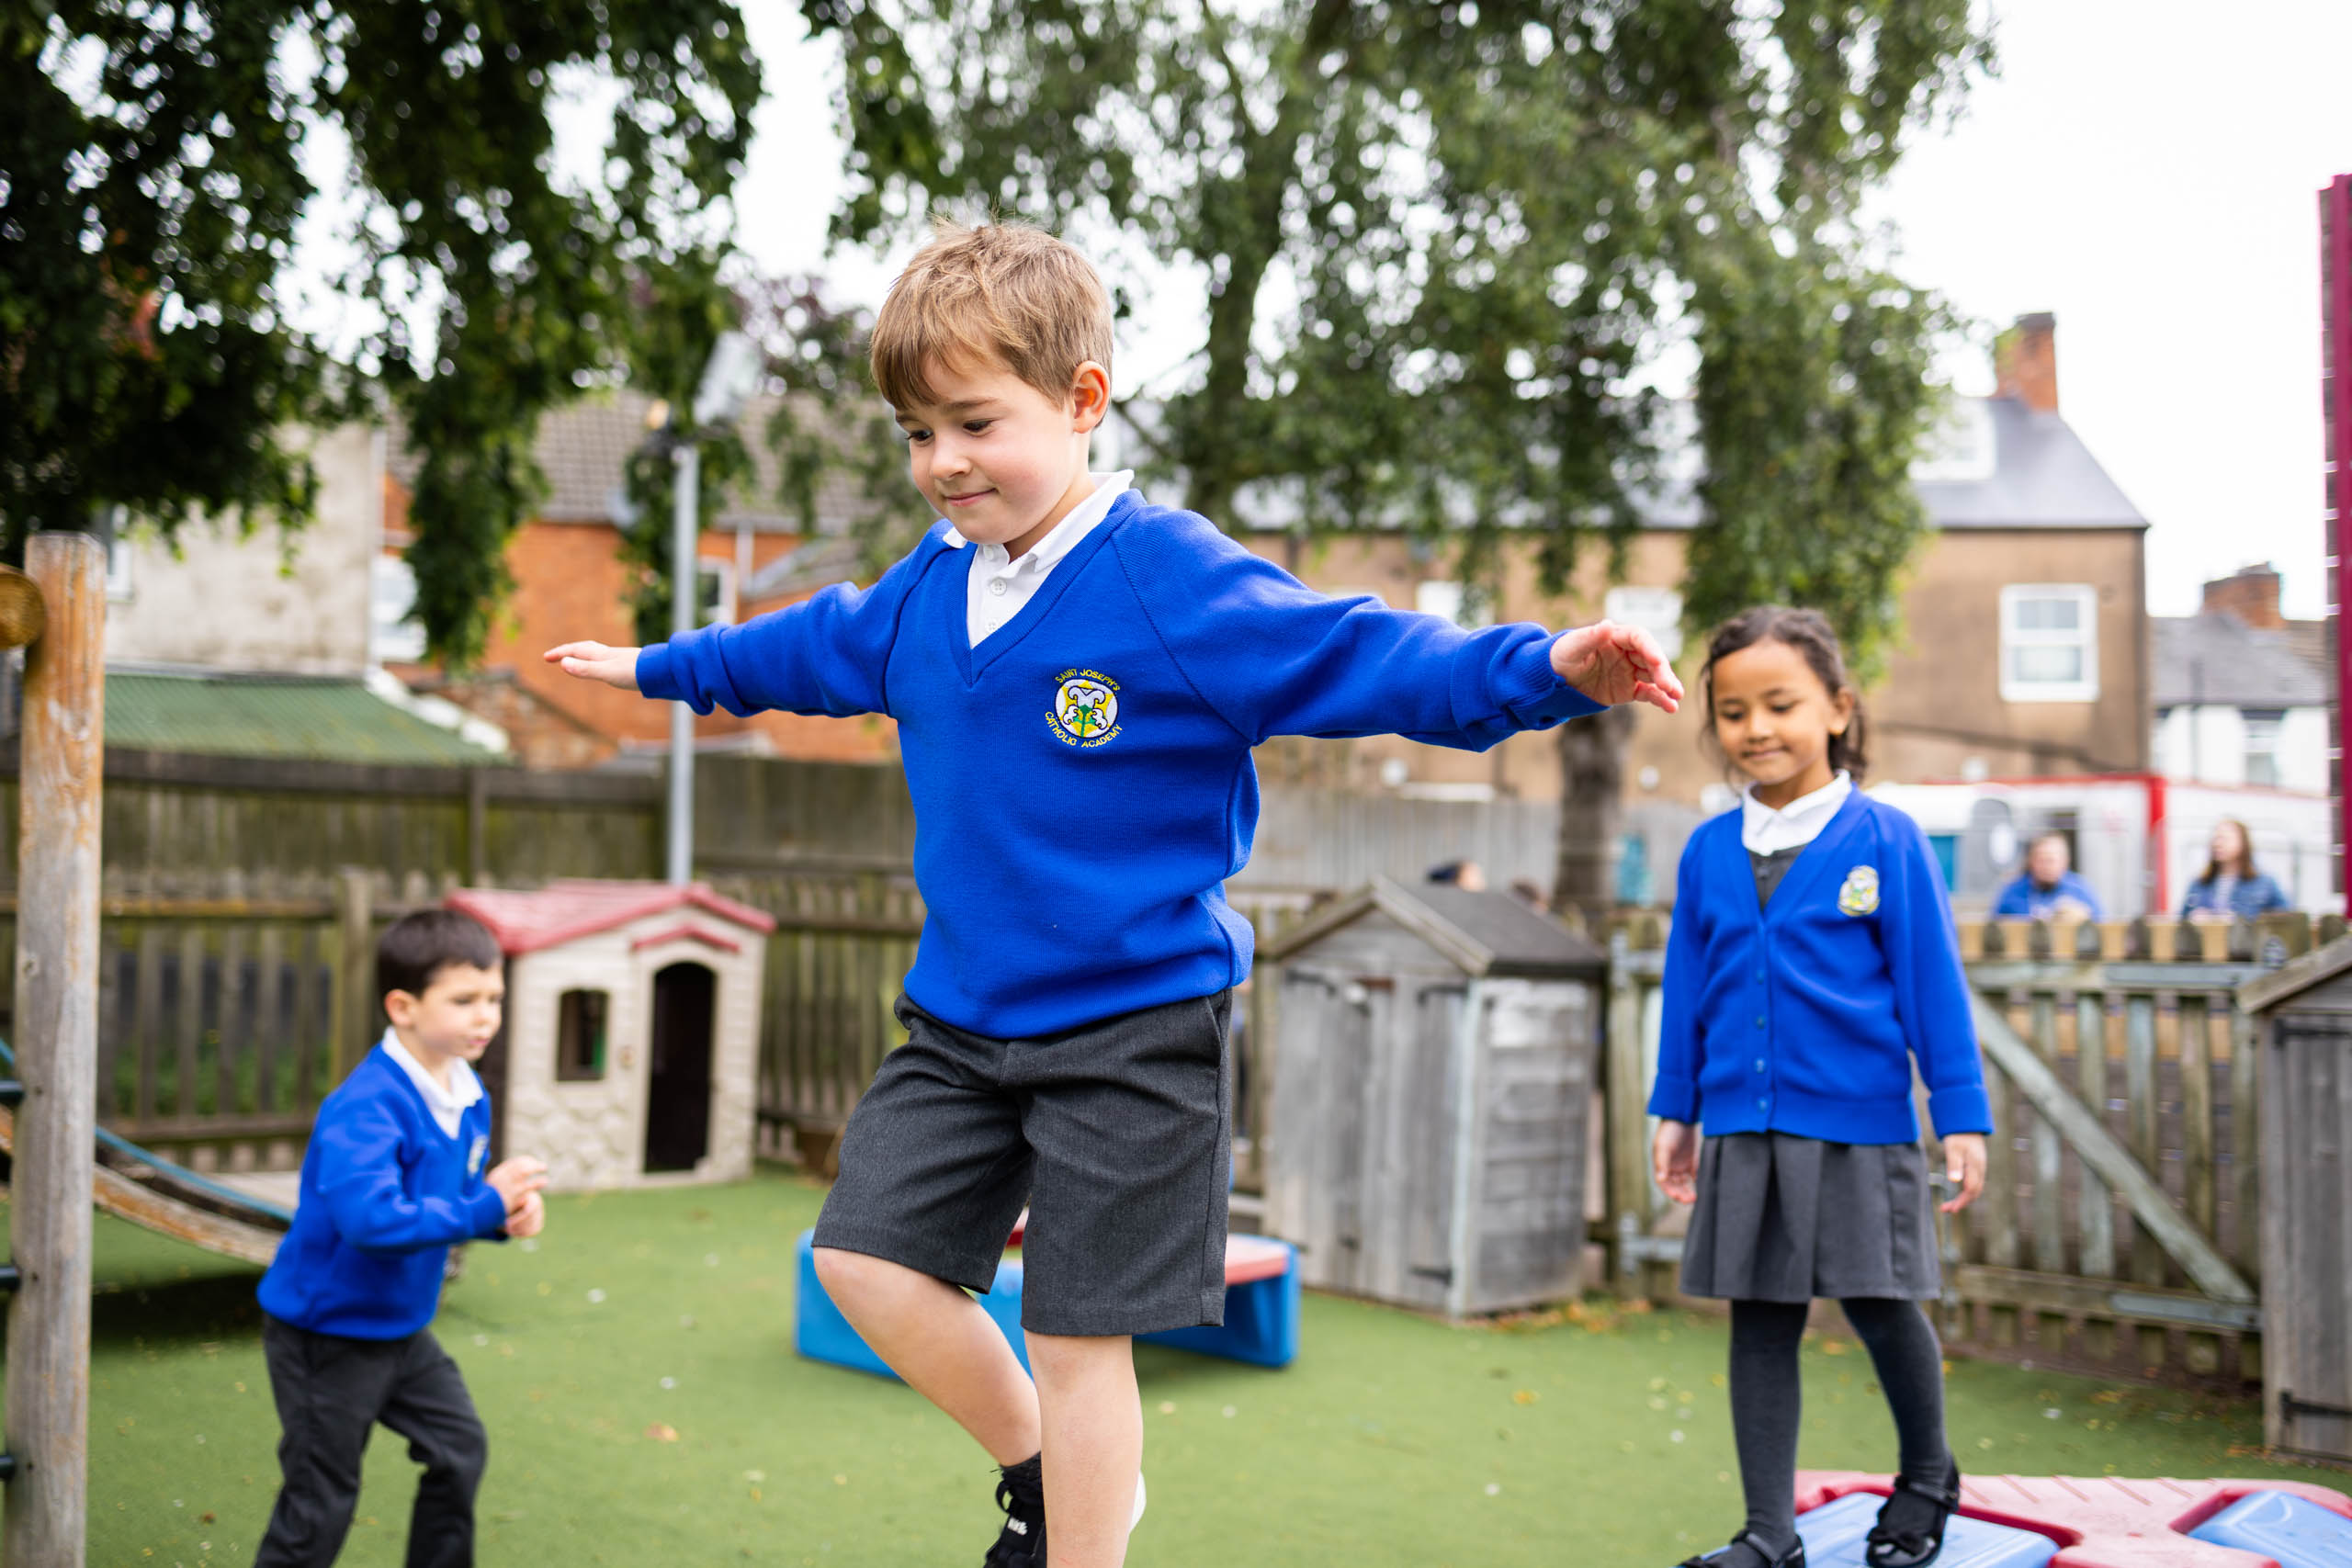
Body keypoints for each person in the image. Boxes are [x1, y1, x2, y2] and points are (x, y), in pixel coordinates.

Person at [544, 220, 1682, 1568]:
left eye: (974, 421)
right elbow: (803, 645)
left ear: (1083, 400)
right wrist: (655, 664)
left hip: (1139, 1024)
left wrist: (1547, 665)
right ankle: (1048, 1471)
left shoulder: (1166, 578)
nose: (943, 463)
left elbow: (1360, 654)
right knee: (864, 1263)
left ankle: (1080, 1537)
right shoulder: (928, 591)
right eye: (917, 433)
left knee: (1079, 1330)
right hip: (963, 1021)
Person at [1650, 606, 1989, 1568]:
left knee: (1882, 1303)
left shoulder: (1886, 839)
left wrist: (1958, 1113)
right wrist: (1675, 1109)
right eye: (1731, 711)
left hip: (1861, 1127)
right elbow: (1688, 988)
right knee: (1759, 1323)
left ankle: (1927, 1476)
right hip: (1743, 1127)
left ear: (1837, 708)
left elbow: (1933, 986)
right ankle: (1768, 1535)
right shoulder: (1707, 851)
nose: (1755, 729)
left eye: (1779, 704)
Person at [251, 908, 547, 1568]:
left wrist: (500, 1215)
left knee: (458, 1449)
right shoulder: (368, 1104)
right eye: (464, 999)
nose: (486, 1016)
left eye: (494, 998)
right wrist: (482, 1208)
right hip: (326, 1336)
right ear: (403, 1005)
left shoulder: (466, 1090)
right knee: (320, 1501)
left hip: (400, 1329)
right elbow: (373, 1220)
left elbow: (452, 1201)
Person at [2180, 818, 2291, 924]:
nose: (2218, 844)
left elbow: (2286, 919)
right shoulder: (2199, 884)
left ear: (2243, 843)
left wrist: (2238, 920)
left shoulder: (2265, 884)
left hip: (2246, 943)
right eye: (2216, 838)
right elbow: (2180, 922)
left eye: (2225, 838)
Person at [1990, 831, 2103, 921]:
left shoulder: (2080, 889)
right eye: (2041, 860)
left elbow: (2102, 926)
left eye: (2051, 860)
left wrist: (2084, 918)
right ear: (2031, 861)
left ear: (2065, 861)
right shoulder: (2012, 891)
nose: (2046, 866)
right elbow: (1992, 928)